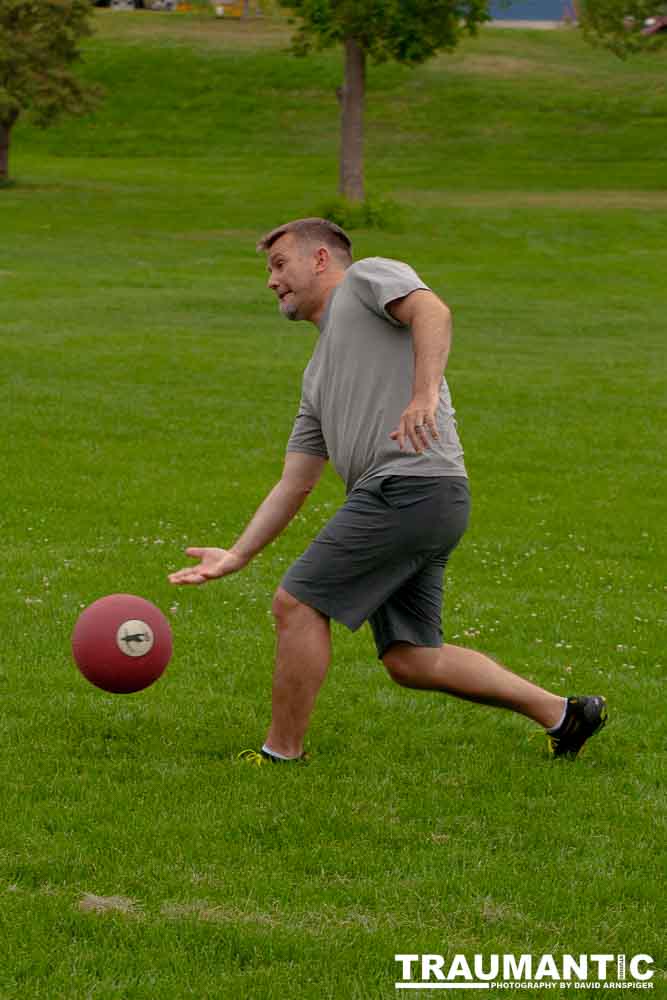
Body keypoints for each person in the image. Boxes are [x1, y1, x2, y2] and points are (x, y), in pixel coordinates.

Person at [168, 218, 607, 764]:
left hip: (409, 486)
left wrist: (423, 395)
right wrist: (236, 554)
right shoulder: (317, 375)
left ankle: (281, 753)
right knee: (410, 659)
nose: (271, 281)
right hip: (425, 498)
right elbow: (296, 482)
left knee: (298, 603)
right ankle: (566, 714)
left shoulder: (368, 278)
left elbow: (433, 311)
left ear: (322, 259)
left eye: (280, 265)